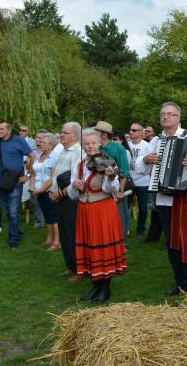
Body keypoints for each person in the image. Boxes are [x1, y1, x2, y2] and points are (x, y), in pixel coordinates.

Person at [136, 102, 187, 295]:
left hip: (186, 200)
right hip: (163, 199)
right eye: (163, 114)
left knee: (186, 240)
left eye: (170, 114)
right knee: (172, 242)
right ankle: (179, 282)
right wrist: (146, 159)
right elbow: (139, 166)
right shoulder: (155, 140)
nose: (166, 117)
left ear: (178, 117)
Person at [68, 128, 126, 303]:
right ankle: (95, 286)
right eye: (87, 144)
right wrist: (74, 186)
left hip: (102, 211)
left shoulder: (108, 162)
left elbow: (112, 190)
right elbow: (72, 195)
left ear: (99, 143)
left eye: (93, 143)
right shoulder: (78, 164)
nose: (90, 146)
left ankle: (105, 289)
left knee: (102, 248)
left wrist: (110, 179)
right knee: (90, 248)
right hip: (84, 212)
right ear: (82, 146)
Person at [0, 120, 33, 248]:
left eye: (1, 129)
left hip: (15, 181)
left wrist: (27, 175)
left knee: (12, 211)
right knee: (8, 209)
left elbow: (32, 156)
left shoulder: (19, 141)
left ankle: (13, 241)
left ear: (9, 130)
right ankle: (16, 231)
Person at [48, 122, 84, 280]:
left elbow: (75, 181)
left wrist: (59, 194)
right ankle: (69, 266)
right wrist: (53, 192)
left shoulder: (78, 153)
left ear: (75, 136)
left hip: (71, 199)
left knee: (72, 234)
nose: (61, 135)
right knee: (63, 233)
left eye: (65, 132)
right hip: (60, 198)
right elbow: (57, 174)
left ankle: (79, 269)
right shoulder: (63, 151)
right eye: (61, 132)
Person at [94, 121, 130, 249]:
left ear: (103, 134)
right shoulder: (96, 148)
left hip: (116, 186)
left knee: (120, 216)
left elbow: (124, 171)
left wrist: (120, 191)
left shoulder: (119, 148)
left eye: (96, 132)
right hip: (100, 189)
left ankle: (123, 244)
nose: (94, 134)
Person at [30, 133, 60, 251]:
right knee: (46, 215)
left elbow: (52, 178)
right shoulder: (39, 155)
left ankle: (57, 242)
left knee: (53, 216)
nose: (40, 143)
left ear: (51, 145)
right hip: (38, 191)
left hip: (49, 191)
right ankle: (49, 239)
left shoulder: (54, 157)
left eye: (43, 142)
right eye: (40, 142)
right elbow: (33, 173)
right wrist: (32, 187)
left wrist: (40, 190)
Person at [127, 122, 150, 236]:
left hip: (143, 181)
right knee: (125, 207)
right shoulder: (126, 145)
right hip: (129, 181)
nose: (131, 131)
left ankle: (140, 228)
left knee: (143, 208)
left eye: (134, 130)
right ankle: (124, 229)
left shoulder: (147, 146)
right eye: (130, 129)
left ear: (141, 133)